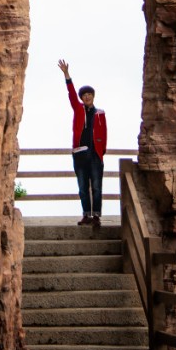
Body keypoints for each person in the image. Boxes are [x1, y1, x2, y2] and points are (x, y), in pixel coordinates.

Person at [57, 59, 107, 227]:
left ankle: (96, 217)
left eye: (89, 95)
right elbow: (71, 94)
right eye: (84, 95)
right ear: (82, 98)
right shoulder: (78, 109)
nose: (87, 97)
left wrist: (101, 152)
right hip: (79, 154)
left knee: (97, 187)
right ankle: (86, 215)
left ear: (93, 97)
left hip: (95, 155)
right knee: (82, 187)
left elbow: (104, 135)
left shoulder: (100, 114)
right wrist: (66, 75)